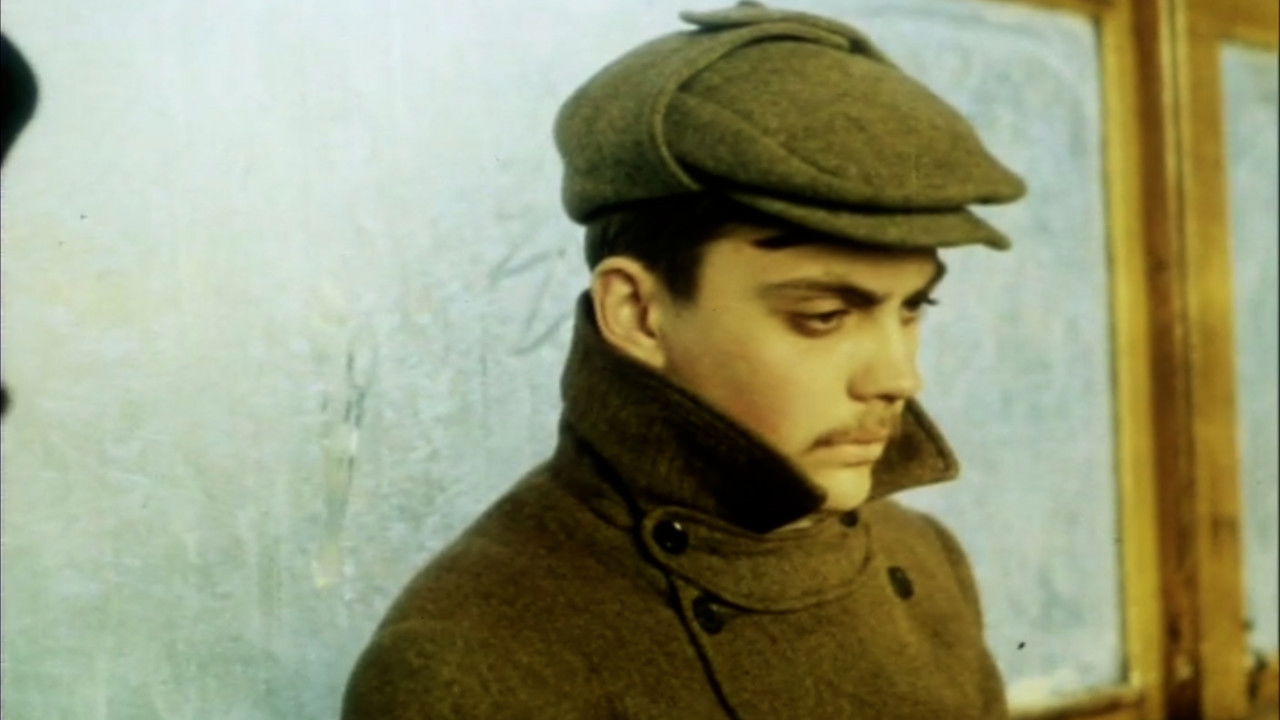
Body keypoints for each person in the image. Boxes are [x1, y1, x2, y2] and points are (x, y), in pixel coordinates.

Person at [343, 3, 1025, 718]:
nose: (898, 378)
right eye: (822, 317)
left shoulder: (925, 560)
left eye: (913, 308)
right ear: (638, 313)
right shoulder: (470, 665)